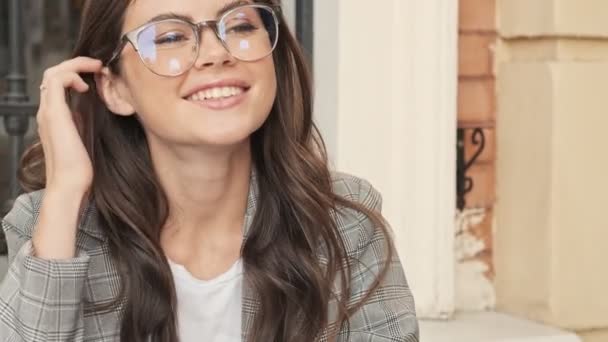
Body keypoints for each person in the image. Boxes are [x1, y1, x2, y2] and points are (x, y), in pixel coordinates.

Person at [0, 0, 419, 341]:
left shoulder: (345, 225)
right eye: (170, 36)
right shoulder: (50, 225)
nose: (216, 53)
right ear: (115, 87)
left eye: (238, 25)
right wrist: (67, 189)